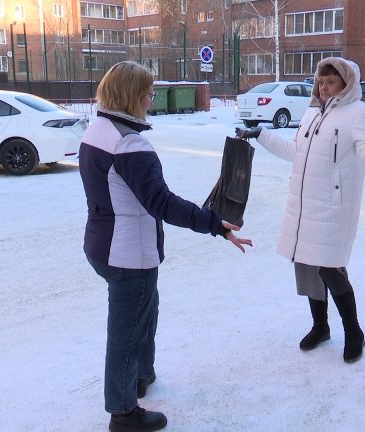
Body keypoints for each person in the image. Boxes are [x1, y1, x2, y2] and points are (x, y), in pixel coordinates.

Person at [79, 61, 252, 432]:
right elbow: (162, 202)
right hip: (128, 252)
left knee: (144, 312)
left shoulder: (98, 129)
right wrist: (213, 223)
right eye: (149, 92)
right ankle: (123, 412)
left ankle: (140, 375)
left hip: (103, 244)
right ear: (134, 95)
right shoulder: (129, 144)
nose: (151, 99)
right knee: (126, 331)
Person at [236, 57, 365, 363]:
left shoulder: (358, 113)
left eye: (330, 82)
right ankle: (320, 327)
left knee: (330, 269)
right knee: (307, 266)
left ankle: (354, 332)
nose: (323, 87)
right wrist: (262, 135)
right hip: (304, 204)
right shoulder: (311, 113)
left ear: (346, 84)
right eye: (321, 81)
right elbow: (296, 153)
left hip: (334, 208)